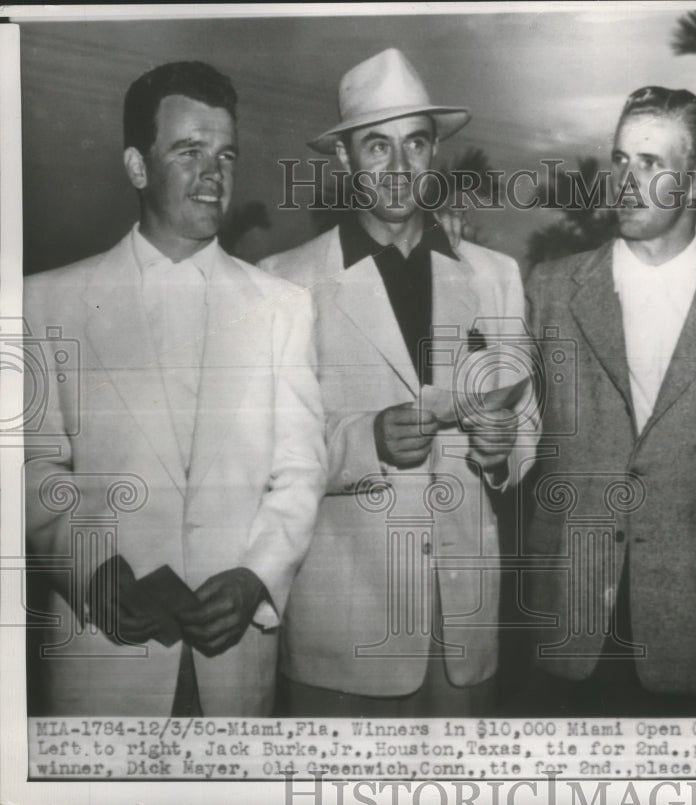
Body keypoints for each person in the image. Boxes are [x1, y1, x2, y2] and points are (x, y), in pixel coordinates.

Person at [23, 61, 327, 716]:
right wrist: (90, 568)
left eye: (225, 155)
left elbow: (302, 469)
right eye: (189, 152)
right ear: (137, 166)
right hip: (103, 662)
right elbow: (29, 465)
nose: (213, 174)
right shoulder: (43, 303)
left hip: (236, 667)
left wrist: (256, 577)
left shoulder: (285, 307)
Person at [261, 48, 538, 716]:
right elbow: (263, 458)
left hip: (464, 630)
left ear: (434, 152)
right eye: (376, 147)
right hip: (344, 633)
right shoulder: (284, 281)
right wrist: (369, 440)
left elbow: (527, 423)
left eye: (414, 144)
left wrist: (505, 450)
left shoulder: (493, 273)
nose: (398, 167)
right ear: (345, 161)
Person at [521, 86, 696, 716]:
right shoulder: (551, 290)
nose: (626, 180)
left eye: (651, 164)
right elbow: (520, 445)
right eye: (621, 160)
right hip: (569, 625)